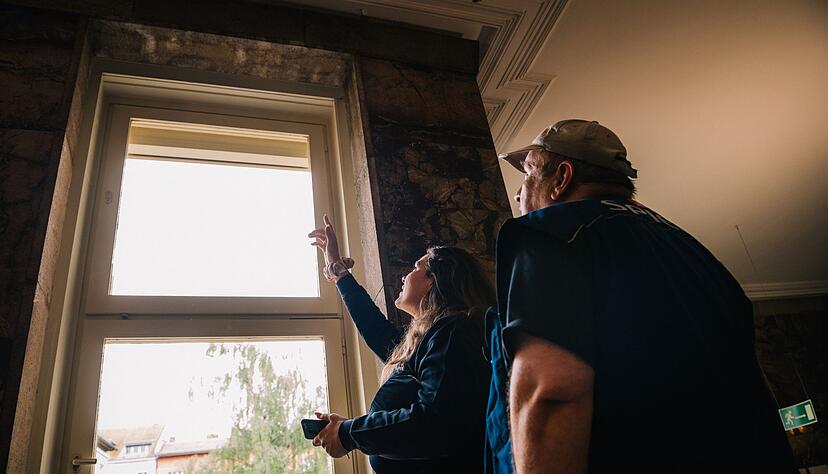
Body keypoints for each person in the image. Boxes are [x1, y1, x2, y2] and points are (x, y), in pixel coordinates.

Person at [485, 119, 796, 473]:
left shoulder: (552, 233)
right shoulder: (699, 256)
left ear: (560, 178)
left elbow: (551, 390)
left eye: (527, 174)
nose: (519, 192)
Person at [308, 215, 494, 473]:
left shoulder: (452, 333)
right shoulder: (431, 340)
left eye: (415, 268)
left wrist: (350, 433)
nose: (405, 276)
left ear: (433, 280)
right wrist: (338, 270)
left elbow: (436, 422)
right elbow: (376, 330)